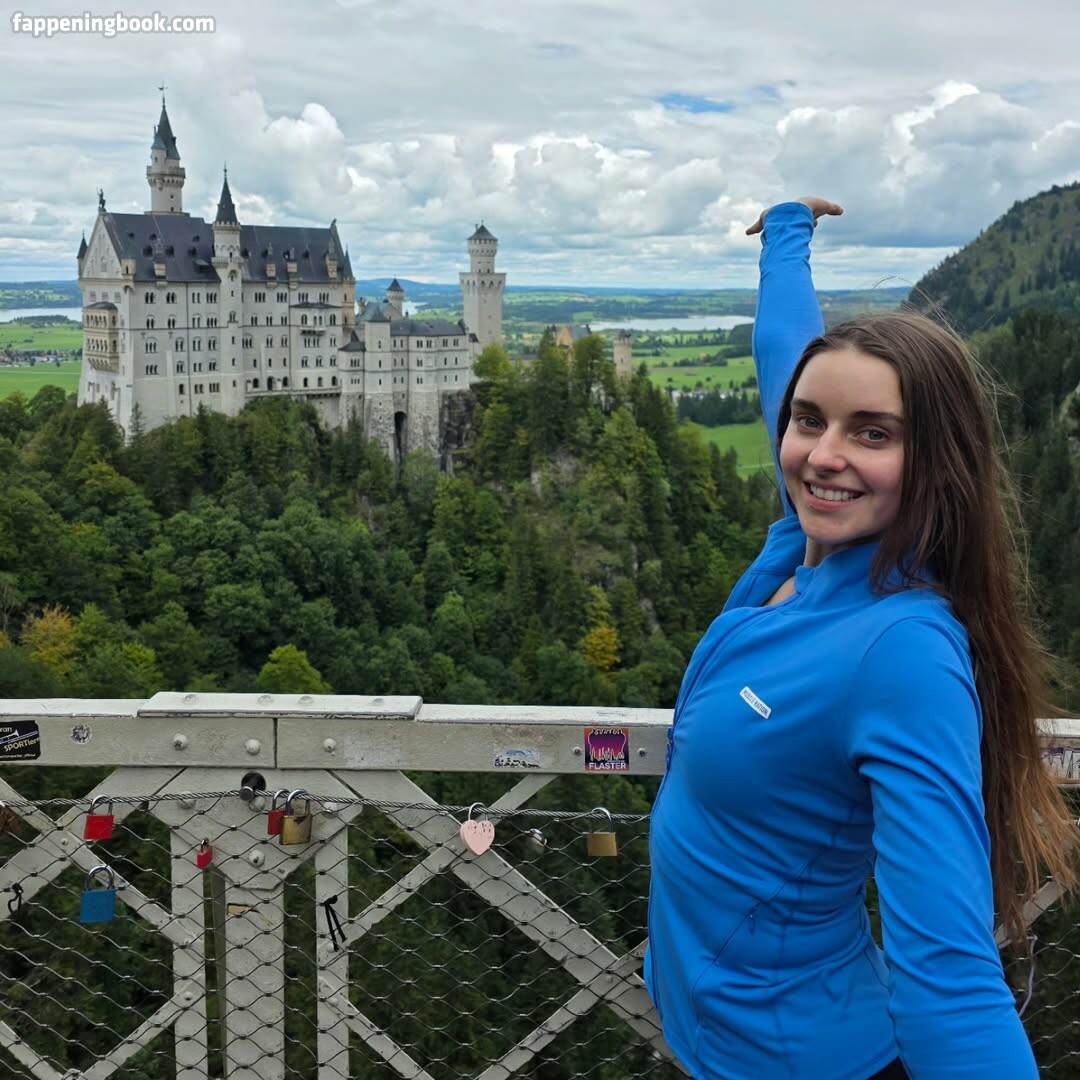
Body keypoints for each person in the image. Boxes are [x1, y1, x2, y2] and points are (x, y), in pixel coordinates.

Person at [644, 197, 1077, 1079]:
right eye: (809, 421)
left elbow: (949, 976)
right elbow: (786, 352)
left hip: (802, 1057)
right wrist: (787, 233)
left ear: (937, 466)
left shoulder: (901, 651)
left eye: (872, 433)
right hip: (716, 1038)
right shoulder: (806, 541)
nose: (821, 454)